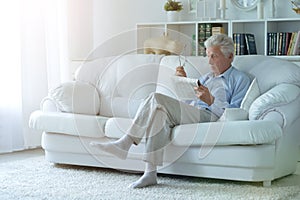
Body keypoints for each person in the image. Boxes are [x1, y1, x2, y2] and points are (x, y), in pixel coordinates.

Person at [90, 34, 251, 188]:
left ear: (230, 56)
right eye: (207, 55)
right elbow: (188, 101)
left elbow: (236, 111)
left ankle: (125, 143)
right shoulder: (206, 78)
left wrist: (212, 101)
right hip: (193, 112)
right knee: (158, 114)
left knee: (156, 98)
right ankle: (150, 173)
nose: (209, 61)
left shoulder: (239, 79)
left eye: (214, 56)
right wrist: (181, 82)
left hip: (212, 116)